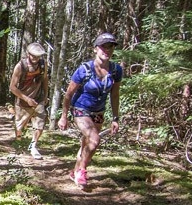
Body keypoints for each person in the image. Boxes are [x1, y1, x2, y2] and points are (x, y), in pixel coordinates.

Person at [58, 33, 122, 186]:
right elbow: (68, 94)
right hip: (81, 109)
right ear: (95, 49)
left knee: (87, 143)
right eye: (103, 47)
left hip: (98, 112)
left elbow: (114, 95)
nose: (107, 50)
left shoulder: (116, 70)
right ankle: (82, 171)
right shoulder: (84, 69)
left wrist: (115, 118)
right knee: (94, 140)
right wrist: (64, 116)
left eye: (110, 46)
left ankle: (75, 171)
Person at [10, 42, 49, 159]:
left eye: (39, 56)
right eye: (34, 55)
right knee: (20, 126)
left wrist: (45, 95)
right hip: (23, 101)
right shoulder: (20, 66)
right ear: (28, 54)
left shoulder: (43, 64)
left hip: (39, 99)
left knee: (40, 124)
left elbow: (45, 79)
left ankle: (33, 145)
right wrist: (26, 99)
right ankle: (19, 145)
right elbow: (12, 87)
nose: (36, 58)